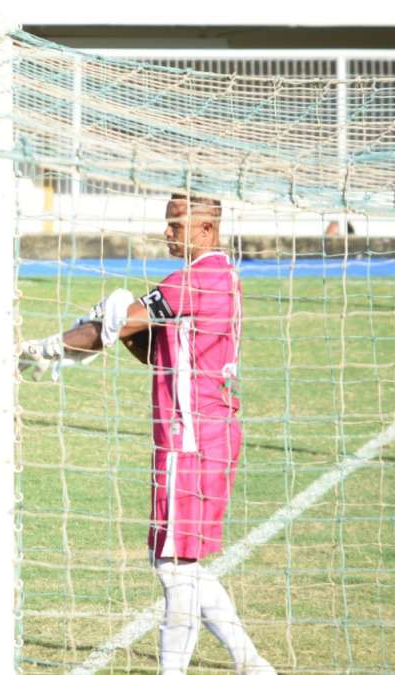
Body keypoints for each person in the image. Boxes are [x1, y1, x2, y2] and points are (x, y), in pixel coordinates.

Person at [19, 194, 275, 674]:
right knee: (185, 566)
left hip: (190, 438)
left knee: (172, 569)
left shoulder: (192, 280)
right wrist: (121, 321)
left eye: (177, 225)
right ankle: (252, 663)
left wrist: (47, 346)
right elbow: (152, 351)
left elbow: (111, 329)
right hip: (209, 432)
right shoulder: (223, 277)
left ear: (205, 231)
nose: (168, 234)